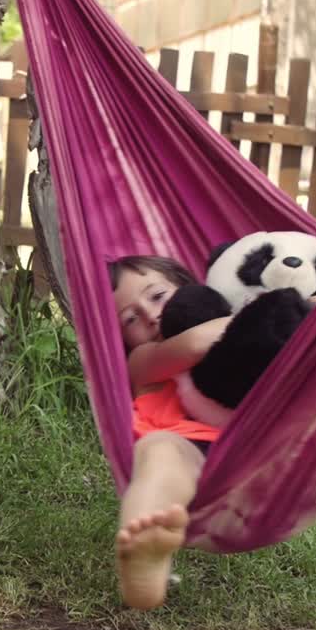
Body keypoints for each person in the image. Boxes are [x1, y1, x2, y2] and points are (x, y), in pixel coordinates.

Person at [109, 255, 232, 611]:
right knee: (160, 455)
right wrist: (279, 312)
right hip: (183, 442)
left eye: (158, 296)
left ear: (187, 285)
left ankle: (148, 542)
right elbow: (194, 345)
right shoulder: (144, 359)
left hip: (257, 441)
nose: (151, 315)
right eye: (130, 319)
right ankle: (144, 548)